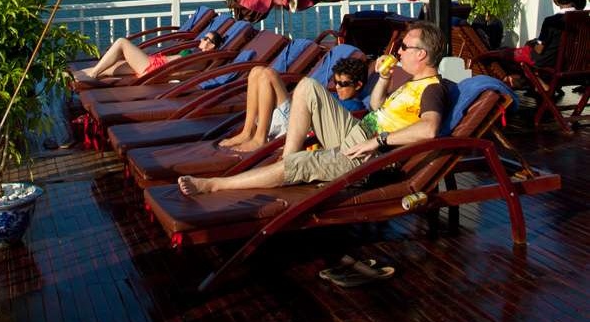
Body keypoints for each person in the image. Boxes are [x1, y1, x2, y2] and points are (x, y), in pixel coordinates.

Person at [178, 21, 448, 195]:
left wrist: (378, 141)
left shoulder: (432, 89)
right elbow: (378, 107)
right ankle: (288, 158)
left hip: (370, 158)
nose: (398, 52)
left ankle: (214, 185)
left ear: (421, 54)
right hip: (357, 132)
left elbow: (429, 129)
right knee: (307, 86)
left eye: (404, 47)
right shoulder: (411, 83)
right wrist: (385, 79)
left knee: (300, 164)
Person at [218, 57, 368, 152]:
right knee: (256, 71)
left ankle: (260, 138)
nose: (337, 87)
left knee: (268, 74)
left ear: (358, 85)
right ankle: (247, 132)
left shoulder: (355, 108)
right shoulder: (335, 95)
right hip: (295, 117)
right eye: (335, 82)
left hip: (298, 128)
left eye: (343, 84)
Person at [81, 31, 223, 79]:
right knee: (108, 69)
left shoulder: (203, 59)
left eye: (206, 38)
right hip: (153, 63)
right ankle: (73, 79)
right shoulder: (198, 54)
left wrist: (163, 77)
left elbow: (185, 73)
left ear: (211, 45)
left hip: (154, 68)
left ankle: (93, 74)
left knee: (121, 42)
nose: (202, 39)